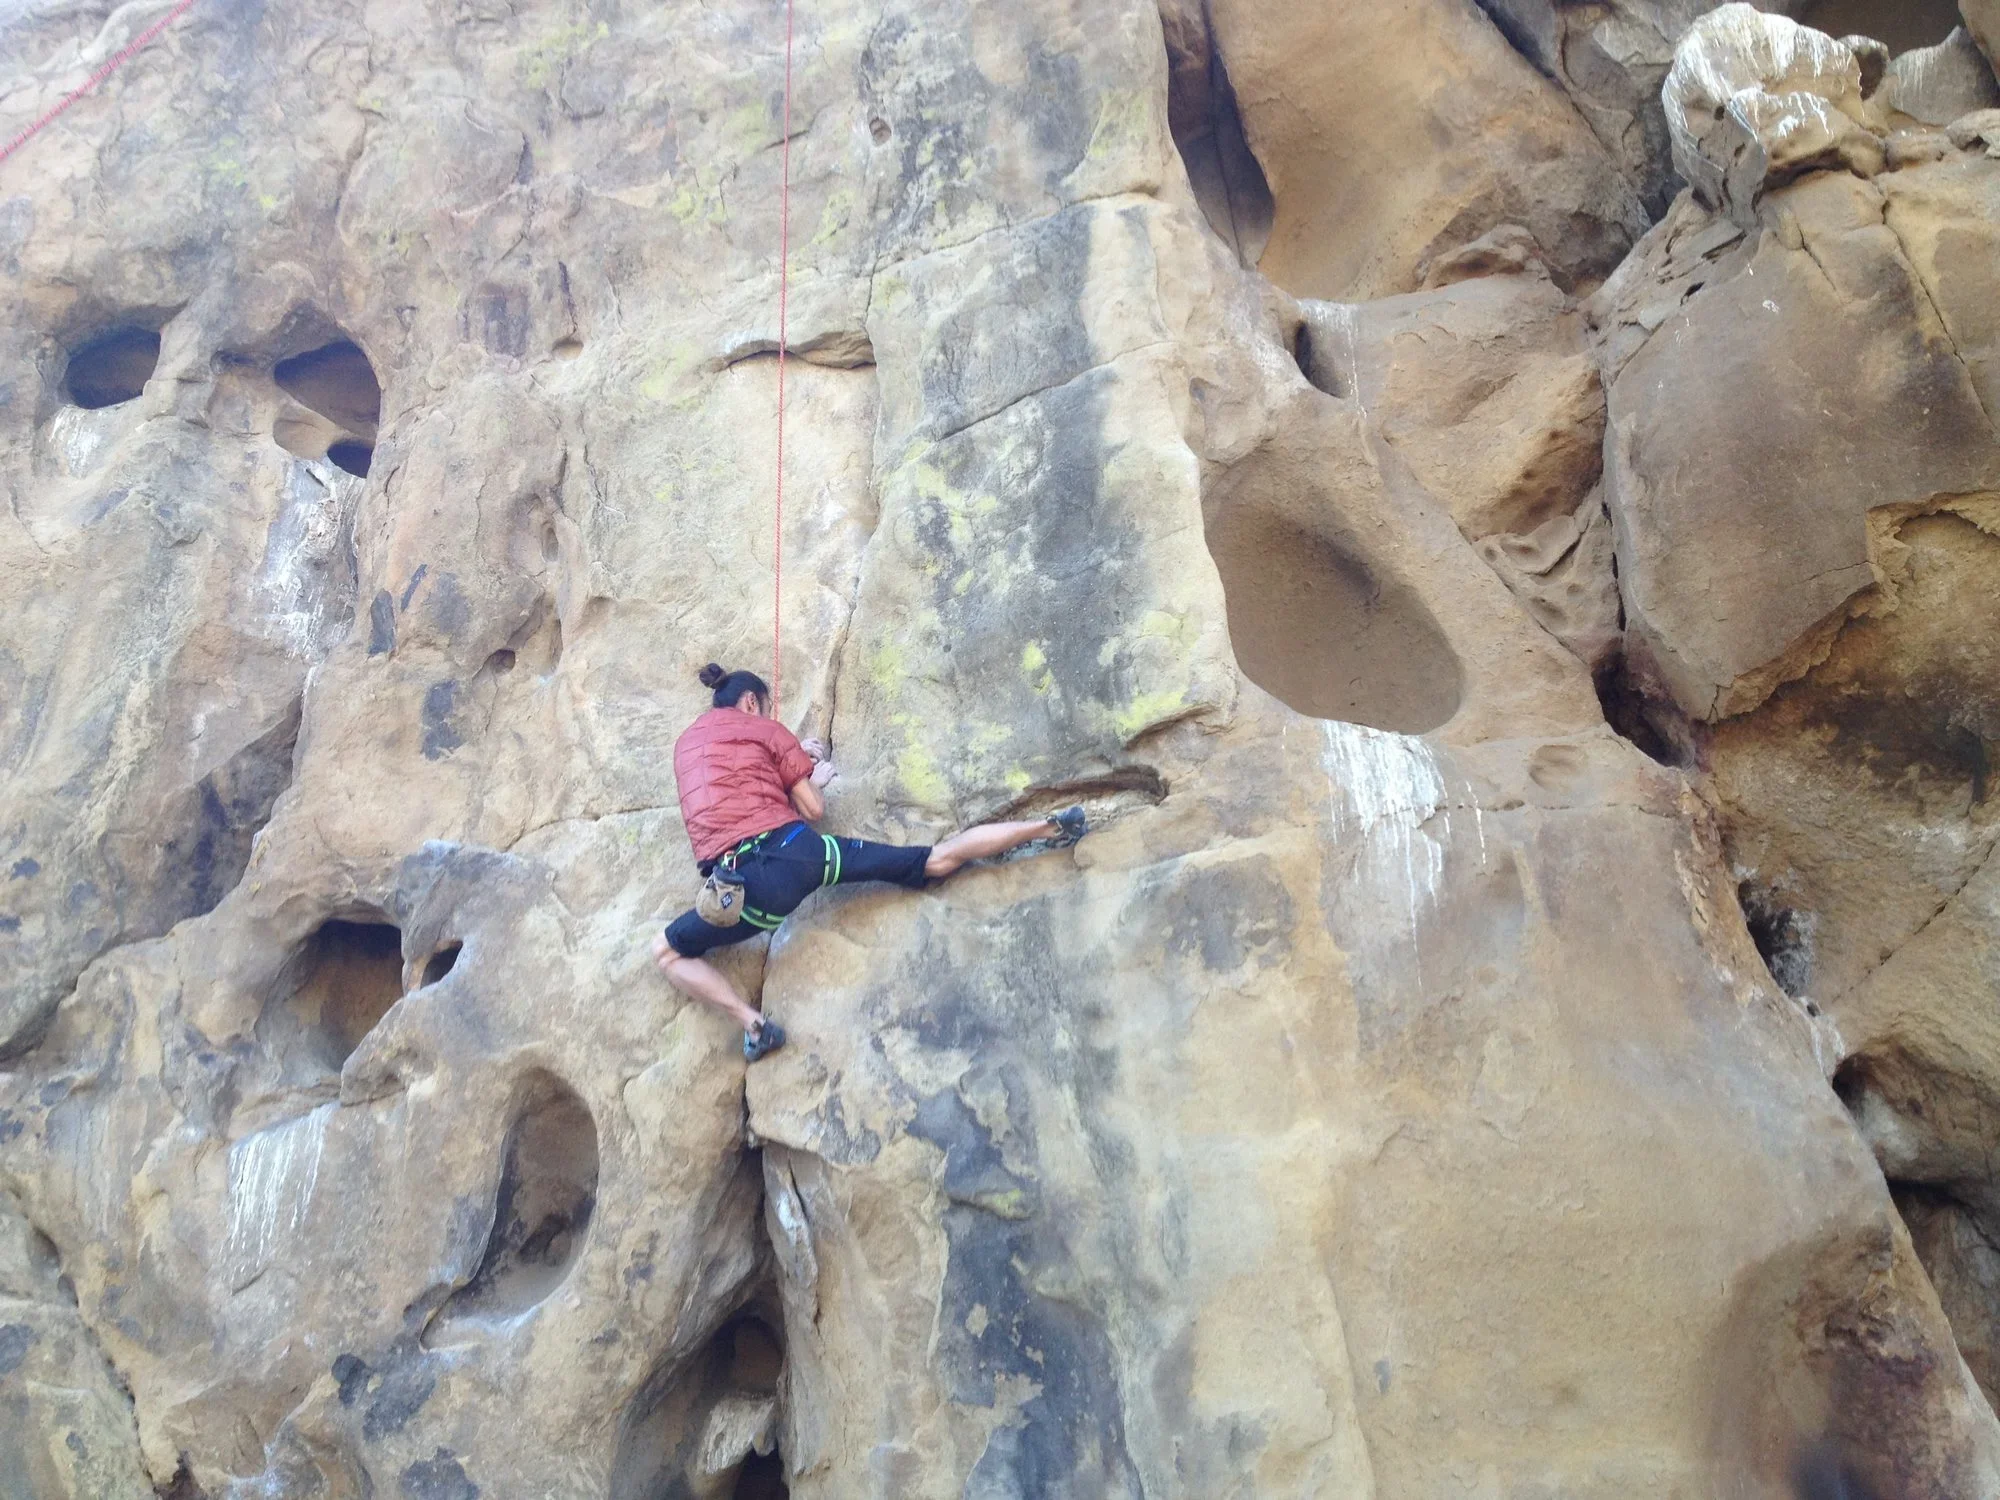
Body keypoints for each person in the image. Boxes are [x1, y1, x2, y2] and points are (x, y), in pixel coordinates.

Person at [653, 662, 1088, 1060]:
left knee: (668, 952)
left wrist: (789, 764)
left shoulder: (685, 746)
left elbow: (730, 798)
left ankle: (755, 1025)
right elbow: (814, 809)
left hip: (744, 891)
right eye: (765, 709)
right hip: (806, 854)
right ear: (751, 702)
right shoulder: (768, 733)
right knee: (935, 859)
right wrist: (809, 774)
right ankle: (1048, 828)